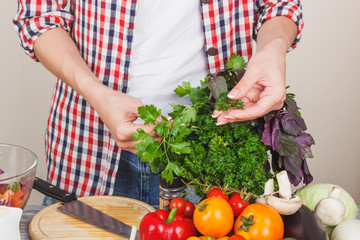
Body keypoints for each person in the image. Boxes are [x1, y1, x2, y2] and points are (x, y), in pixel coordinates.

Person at [13, 0, 303, 206]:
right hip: (91, 144)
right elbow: (40, 16)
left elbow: (281, 5)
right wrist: (98, 94)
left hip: (216, 149)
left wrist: (272, 50)